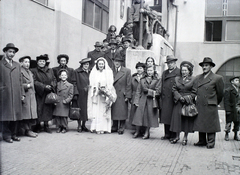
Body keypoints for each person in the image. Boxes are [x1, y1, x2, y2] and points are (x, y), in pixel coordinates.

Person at [193, 57, 224, 149]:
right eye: (203, 66)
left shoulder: (217, 78)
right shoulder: (198, 77)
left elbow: (220, 94)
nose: (204, 67)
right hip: (200, 104)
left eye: (206, 65)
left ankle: (211, 142)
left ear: (211, 67)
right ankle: (202, 141)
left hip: (210, 105)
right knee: (201, 122)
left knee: (210, 124)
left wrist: (214, 102)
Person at [0, 43, 24, 143]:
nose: (12, 54)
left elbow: (20, 80)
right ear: (5, 52)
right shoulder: (0, 64)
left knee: (16, 115)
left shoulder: (17, 65)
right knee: (5, 116)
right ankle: (6, 135)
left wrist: (22, 93)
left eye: (13, 52)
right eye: (10, 51)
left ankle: (14, 134)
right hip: (5, 94)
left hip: (16, 94)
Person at [169, 61, 197, 145]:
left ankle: (185, 138)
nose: (183, 72)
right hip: (178, 101)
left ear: (189, 71)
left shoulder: (193, 79)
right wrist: (179, 97)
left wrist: (186, 98)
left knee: (186, 120)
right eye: (182, 70)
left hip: (187, 102)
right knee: (177, 120)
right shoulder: (177, 79)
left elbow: (194, 91)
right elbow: (174, 89)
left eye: (185, 70)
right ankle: (177, 136)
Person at [88, 57, 116, 134]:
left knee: (104, 111)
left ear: (104, 65)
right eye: (99, 64)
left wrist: (106, 91)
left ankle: (104, 128)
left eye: (102, 64)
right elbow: (92, 83)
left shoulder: (107, 72)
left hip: (104, 96)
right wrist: (95, 89)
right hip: (97, 95)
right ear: (97, 64)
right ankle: (96, 128)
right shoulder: (94, 73)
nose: (101, 65)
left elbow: (110, 84)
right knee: (96, 111)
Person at [132, 65, 160, 139]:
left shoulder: (157, 80)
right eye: (148, 70)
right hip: (142, 100)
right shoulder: (142, 80)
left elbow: (158, 91)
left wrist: (149, 91)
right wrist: (136, 101)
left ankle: (147, 132)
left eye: (151, 70)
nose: (149, 72)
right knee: (138, 116)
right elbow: (138, 91)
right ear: (146, 71)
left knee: (149, 117)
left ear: (154, 71)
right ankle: (137, 132)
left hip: (151, 101)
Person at [31, 54, 57, 133]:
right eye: (40, 61)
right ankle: (38, 125)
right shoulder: (34, 71)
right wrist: (43, 86)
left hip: (48, 93)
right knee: (39, 109)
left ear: (45, 62)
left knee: (48, 109)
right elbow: (34, 81)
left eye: (43, 61)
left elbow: (54, 79)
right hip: (39, 93)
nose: (42, 63)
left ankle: (46, 125)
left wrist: (51, 86)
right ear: (37, 62)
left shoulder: (50, 70)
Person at [159, 55, 180, 141]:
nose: (170, 65)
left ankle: (173, 135)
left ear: (175, 63)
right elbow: (162, 84)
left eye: (171, 63)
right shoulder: (165, 73)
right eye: (168, 63)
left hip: (173, 98)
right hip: (165, 97)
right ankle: (167, 134)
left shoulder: (179, 72)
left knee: (173, 118)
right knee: (165, 116)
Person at [111, 56, 132, 134]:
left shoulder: (127, 71)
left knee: (122, 111)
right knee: (114, 110)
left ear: (121, 62)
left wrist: (128, 95)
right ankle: (115, 126)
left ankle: (122, 127)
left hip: (122, 94)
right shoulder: (111, 71)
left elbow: (129, 84)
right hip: (113, 93)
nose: (117, 63)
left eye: (119, 61)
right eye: (115, 61)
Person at [19, 56, 38, 138]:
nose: (27, 64)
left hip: (32, 95)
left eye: (28, 62)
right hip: (25, 95)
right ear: (21, 63)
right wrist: (27, 85)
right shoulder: (20, 72)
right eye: (26, 62)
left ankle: (29, 130)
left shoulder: (30, 72)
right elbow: (18, 84)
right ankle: (27, 130)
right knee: (26, 114)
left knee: (31, 114)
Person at [53, 69, 73, 133]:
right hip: (58, 101)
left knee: (64, 116)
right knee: (58, 115)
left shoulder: (70, 85)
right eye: (62, 75)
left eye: (65, 75)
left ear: (67, 76)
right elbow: (55, 93)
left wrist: (66, 101)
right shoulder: (57, 84)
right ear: (60, 76)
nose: (63, 76)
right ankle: (59, 127)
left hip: (64, 102)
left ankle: (64, 127)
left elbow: (71, 95)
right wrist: (55, 100)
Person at [74, 58, 91, 132]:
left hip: (88, 93)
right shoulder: (77, 72)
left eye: (87, 64)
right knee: (79, 109)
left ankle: (84, 125)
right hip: (80, 93)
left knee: (86, 110)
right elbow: (74, 83)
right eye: (84, 64)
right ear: (81, 65)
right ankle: (79, 125)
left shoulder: (90, 72)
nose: (86, 66)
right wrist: (76, 92)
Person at [224, 76, 240, 141]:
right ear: (232, 82)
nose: (238, 82)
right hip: (231, 109)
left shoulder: (239, 90)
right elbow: (226, 101)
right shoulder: (228, 90)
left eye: (238, 80)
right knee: (228, 123)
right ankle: (226, 134)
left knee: (237, 123)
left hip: (238, 110)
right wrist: (227, 110)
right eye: (236, 80)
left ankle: (236, 135)